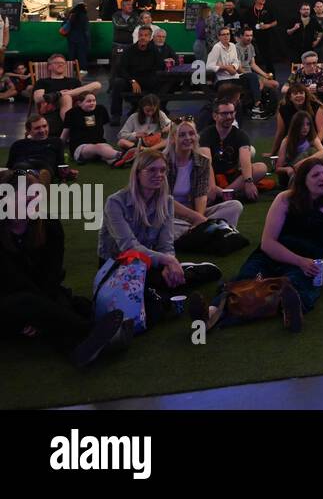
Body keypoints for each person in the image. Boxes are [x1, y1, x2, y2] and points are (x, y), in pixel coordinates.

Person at [0, 170, 134, 368]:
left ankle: (79, 351)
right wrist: (33, 313)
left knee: (58, 303)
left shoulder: (50, 226)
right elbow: (12, 281)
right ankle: (89, 330)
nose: (34, 199)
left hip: (41, 293)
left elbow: (51, 275)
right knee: (30, 302)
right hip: (7, 300)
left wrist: (40, 314)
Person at [213, 156, 323, 330]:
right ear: (304, 180)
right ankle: (211, 313)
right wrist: (299, 260)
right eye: (316, 175)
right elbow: (267, 243)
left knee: (293, 285)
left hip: (306, 262)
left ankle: (288, 310)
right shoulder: (284, 199)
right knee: (252, 279)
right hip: (273, 256)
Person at [98, 149, 209, 295]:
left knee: (174, 278)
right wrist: (168, 261)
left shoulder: (167, 202)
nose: (159, 175)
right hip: (118, 264)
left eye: (163, 170)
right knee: (156, 288)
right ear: (138, 173)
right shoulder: (115, 202)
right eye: (152, 170)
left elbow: (166, 244)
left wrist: (168, 264)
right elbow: (129, 248)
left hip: (149, 261)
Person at [165, 118, 244, 237]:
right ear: (172, 139)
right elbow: (163, 200)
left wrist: (199, 220)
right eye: (182, 135)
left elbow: (201, 196)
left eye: (191, 133)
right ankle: (212, 231)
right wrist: (196, 218)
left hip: (193, 213)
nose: (188, 138)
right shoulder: (162, 162)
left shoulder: (202, 162)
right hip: (168, 214)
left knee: (235, 206)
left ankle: (197, 233)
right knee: (164, 224)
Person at [200, 99, 268, 202]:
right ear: (215, 116)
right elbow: (206, 164)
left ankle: (225, 194)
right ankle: (228, 194)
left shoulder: (240, 135)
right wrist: (212, 187)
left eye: (231, 113)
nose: (229, 117)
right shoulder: (205, 134)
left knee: (261, 168)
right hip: (211, 177)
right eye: (224, 114)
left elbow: (245, 161)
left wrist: (248, 181)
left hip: (232, 178)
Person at [6, 115, 70, 181]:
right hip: (23, 167)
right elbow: (9, 167)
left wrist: (68, 173)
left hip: (44, 167)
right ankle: (32, 180)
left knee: (43, 172)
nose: (42, 130)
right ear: (28, 130)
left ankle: (32, 180)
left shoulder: (56, 142)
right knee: (21, 168)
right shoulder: (18, 144)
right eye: (37, 128)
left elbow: (60, 165)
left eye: (44, 126)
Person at [62, 91, 117, 166]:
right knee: (99, 148)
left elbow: (104, 128)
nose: (92, 103)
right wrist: (58, 149)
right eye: (88, 101)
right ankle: (121, 155)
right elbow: (65, 134)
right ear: (79, 103)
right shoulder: (72, 113)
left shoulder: (100, 109)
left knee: (106, 149)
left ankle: (116, 161)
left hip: (99, 142)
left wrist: (104, 142)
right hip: (80, 146)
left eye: (94, 100)